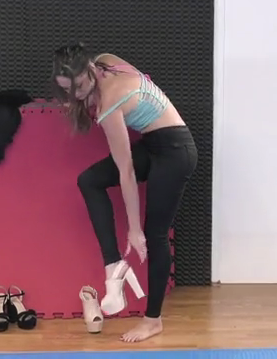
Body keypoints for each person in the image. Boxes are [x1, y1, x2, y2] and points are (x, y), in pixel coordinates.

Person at [52, 43, 197, 343]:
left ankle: (153, 321)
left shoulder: (110, 102)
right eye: (67, 90)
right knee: (89, 180)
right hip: (155, 144)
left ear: (90, 70)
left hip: (175, 151)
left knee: (154, 235)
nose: (75, 95)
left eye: (79, 87)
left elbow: (126, 172)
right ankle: (113, 265)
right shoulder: (105, 60)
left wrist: (134, 230)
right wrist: (82, 94)